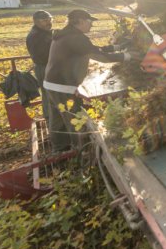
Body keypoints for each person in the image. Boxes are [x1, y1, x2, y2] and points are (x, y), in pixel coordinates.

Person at [44, 9, 135, 153]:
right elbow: (100, 57)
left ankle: (59, 150)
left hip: (50, 83)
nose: (91, 25)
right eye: (89, 21)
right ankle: (81, 152)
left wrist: (117, 47)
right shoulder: (76, 38)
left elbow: (93, 49)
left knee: (57, 120)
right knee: (74, 120)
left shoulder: (65, 34)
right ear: (79, 21)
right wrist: (127, 56)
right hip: (63, 86)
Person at [25, 10, 53, 120]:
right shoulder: (36, 36)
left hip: (46, 67)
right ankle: (50, 118)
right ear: (36, 22)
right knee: (49, 94)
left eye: (50, 19)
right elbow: (44, 55)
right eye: (44, 20)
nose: (49, 22)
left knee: (49, 94)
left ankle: (51, 118)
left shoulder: (43, 32)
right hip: (44, 67)